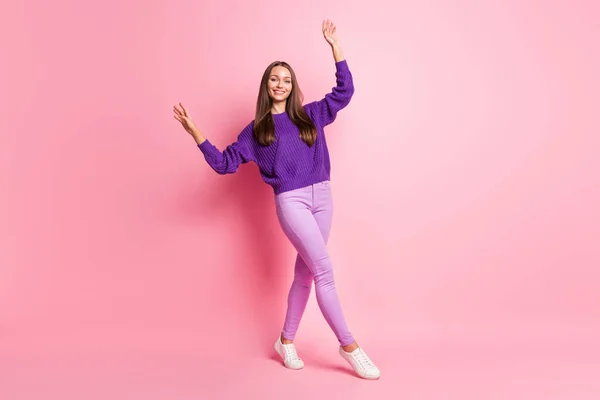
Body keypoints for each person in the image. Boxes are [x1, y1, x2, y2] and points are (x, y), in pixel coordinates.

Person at [173, 19, 380, 380]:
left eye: (286, 79)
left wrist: (335, 48)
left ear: (292, 85)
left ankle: (285, 341)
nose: (280, 84)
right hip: (292, 203)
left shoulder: (311, 115)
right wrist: (196, 133)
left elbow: (344, 93)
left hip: (323, 196)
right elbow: (224, 164)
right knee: (325, 272)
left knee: (305, 274)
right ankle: (350, 347)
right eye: (274, 79)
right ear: (266, 86)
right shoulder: (257, 132)